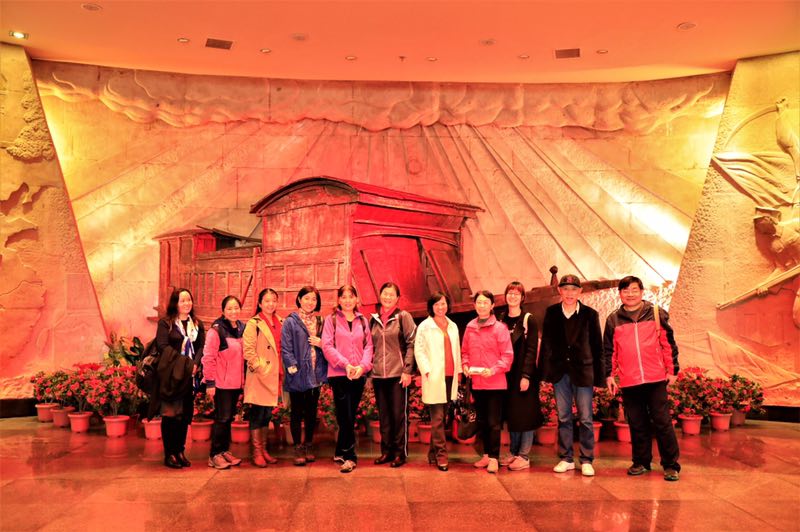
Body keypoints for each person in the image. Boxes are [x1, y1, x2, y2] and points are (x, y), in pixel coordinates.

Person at [604, 275, 681, 481]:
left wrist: (672, 370)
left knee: (663, 422)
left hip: (655, 378)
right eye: (625, 290)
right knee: (637, 423)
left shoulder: (655, 313)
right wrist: (609, 375)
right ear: (620, 294)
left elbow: (668, 344)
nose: (630, 294)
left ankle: (670, 465)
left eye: (634, 290)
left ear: (641, 292)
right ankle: (641, 461)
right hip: (629, 380)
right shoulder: (613, 319)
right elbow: (609, 351)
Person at [539, 274, 604, 477]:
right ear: (560, 291)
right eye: (565, 289)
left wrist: (600, 377)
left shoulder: (590, 315)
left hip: (583, 372)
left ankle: (586, 459)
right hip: (560, 373)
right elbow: (546, 344)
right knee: (564, 417)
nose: (569, 293)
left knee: (585, 418)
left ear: (579, 292)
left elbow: (597, 346)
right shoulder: (551, 313)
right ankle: (566, 458)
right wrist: (544, 374)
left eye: (573, 289)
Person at [321, 284, 374, 473]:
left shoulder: (363, 321)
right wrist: (346, 365)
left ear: (356, 299)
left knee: (349, 415)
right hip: (339, 374)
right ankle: (350, 457)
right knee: (346, 415)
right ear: (338, 300)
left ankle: (339, 452)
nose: (348, 300)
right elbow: (327, 346)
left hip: (358, 374)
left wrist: (362, 366)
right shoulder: (332, 320)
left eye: (351, 296)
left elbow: (369, 347)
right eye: (344, 297)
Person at [461, 290, 513, 474]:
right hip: (477, 383)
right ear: (474, 305)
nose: (482, 305)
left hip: (495, 383)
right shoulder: (470, 327)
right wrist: (465, 365)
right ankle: (485, 455)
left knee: (493, 423)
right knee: (482, 421)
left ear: (492, 306)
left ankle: (494, 458)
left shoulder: (500, 328)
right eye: (479, 302)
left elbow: (507, 356)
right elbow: (465, 352)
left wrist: (493, 370)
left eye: (485, 302)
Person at [153, 288, 205, 469]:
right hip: (171, 376)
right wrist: (185, 364)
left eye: (189, 300)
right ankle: (170, 453)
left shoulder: (196, 324)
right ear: (175, 303)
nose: (186, 303)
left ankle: (180, 451)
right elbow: (162, 346)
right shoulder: (166, 323)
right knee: (170, 415)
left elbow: (201, 347)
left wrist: (195, 364)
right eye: (182, 300)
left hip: (188, 377)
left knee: (184, 415)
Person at [369, 282, 416, 468]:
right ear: (380, 296)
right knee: (384, 417)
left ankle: (399, 453)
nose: (387, 297)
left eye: (391, 294)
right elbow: (370, 347)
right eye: (385, 294)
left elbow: (412, 343)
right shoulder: (373, 319)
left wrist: (407, 371)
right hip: (379, 376)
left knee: (398, 416)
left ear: (397, 298)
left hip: (398, 375)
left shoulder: (403, 317)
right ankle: (386, 452)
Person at [414, 291, 462, 471]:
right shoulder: (425, 326)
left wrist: (458, 371)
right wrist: (426, 370)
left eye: (443, 303)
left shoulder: (453, 325)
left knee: (444, 417)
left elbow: (456, 350)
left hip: (450, 376)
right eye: (437, 304)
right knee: (438, 418)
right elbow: (419, 350)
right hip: (434, 376)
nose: (441, 307)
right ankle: (442, 456)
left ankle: (432, 453)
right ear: (431, 307)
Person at [281, 286, 328, 466]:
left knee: (311, 411)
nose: (310, 302)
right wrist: (292, 366)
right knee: (296, 411)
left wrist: (321, 343)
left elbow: (328, 344)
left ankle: (308, 444)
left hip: (315, 373)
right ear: (299, 299)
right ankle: (297, 447)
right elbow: (286, 347)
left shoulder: (320, 321)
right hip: (298, 373)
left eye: (314, 299)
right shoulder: (290, 321)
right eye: (306, 298)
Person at [498, 281, 540, 471]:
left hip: (523, 374)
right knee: (512, 414)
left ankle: (524, 455)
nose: (513, 296)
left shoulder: (529, 319)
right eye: (510, 293)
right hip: (506, 374)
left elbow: (531, 350)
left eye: (517, 293)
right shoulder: (501, 319)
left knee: (526, 414)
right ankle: (514, 452)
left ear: (522, 298)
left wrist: (526, 376)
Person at [203, 295, 246, 470]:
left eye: (236, 308)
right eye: (229, 308)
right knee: (222, 418)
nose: (233, 311)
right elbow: (208, 358)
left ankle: (224, 451)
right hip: (222, 383)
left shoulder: (242, 328)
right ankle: (214, 455)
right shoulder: (216, 331)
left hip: (236, 383)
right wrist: (210, 383)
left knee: (228, 418)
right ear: (223, 311)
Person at [242, 288, 283, 467]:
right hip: (260, 374)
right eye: (267, 301)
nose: (270, 304)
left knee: (267, 413)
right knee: (257, 413)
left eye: (273, 300)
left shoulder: (280, 321)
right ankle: (256, 452)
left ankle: (264, 449)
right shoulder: (254, 323)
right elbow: (248, 351)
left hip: (275, 373)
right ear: (259, 303)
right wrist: (260, 367)